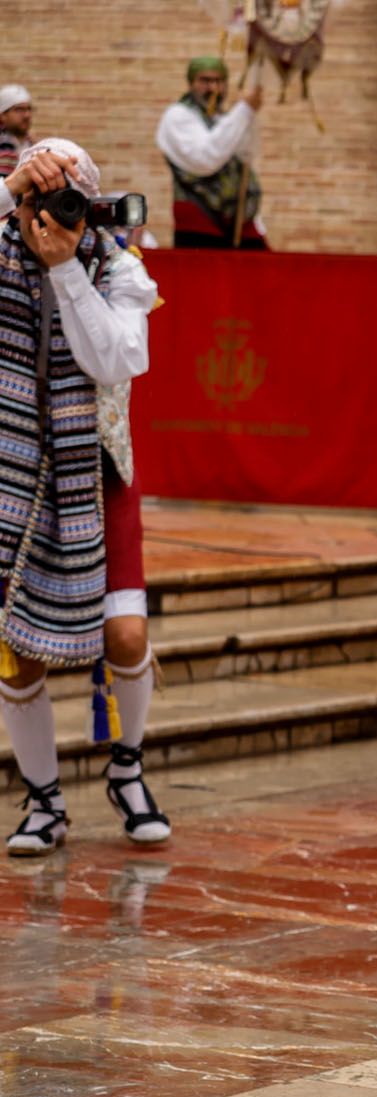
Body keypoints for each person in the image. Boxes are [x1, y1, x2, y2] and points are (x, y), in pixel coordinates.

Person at [0, 141, 171, 854]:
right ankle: (43, 800)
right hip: (13, 482)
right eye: (44, 200)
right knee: (17, 650)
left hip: (96, 481)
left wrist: (68, 268)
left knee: (125, 634)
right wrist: (10, 186)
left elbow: (116, 359)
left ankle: (126, 767)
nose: (53, 216)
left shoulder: (118, 268)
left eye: (69, 199)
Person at [155, 56, 267, 250]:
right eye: (205, 81)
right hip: (200, 219)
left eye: (219, 81)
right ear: (192, 83)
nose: (213, 88)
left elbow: (246, 155)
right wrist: (242, 111)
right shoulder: (178, 116)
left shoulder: (222, 119)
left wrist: (246, 116)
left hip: (237, 220)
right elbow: (205, 159)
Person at [0, 86, 32, 176]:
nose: (27, 115)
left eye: (28, 109)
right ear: (3, 115)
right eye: (19, 109)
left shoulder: (33, 145)